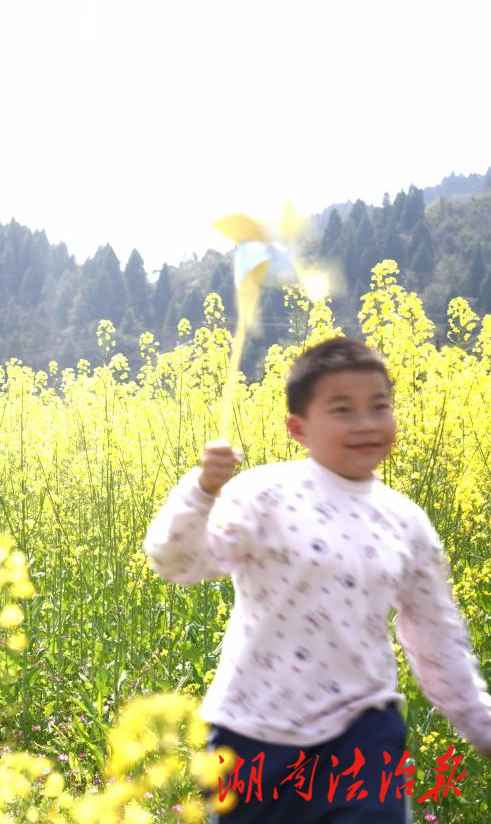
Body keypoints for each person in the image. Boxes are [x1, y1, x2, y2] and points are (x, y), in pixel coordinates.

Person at [144, 337, 491, 823]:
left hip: (363, 732)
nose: (366, 423)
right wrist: (201, 492)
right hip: (250, 732)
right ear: (298, 428)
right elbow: (177, 563)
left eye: (379, 406)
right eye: (342, 409)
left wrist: (481, 724)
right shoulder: (263, 494)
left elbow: (437, 635)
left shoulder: (405, 521)